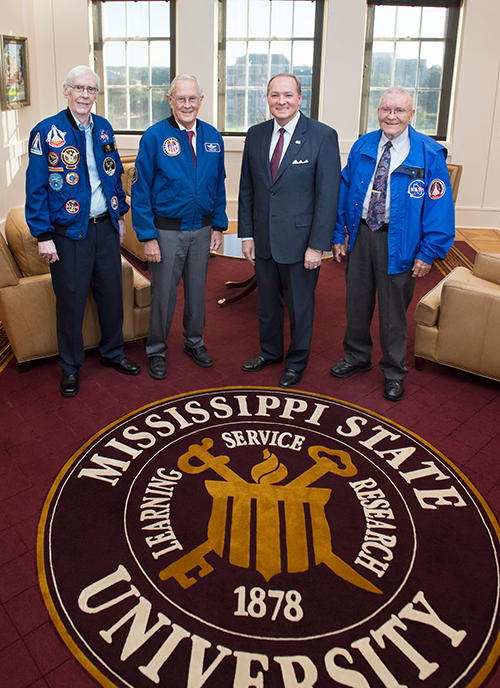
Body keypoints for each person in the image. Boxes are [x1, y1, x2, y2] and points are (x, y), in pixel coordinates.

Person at [331, 86, 455, 401]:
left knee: (393, 312)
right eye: (386, 109)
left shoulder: (429, 154)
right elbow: (344, 189)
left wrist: (428, 252)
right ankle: (357, 357)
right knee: (356, 304)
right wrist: (337, 234)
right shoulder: (363, 145)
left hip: (401, 242)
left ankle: (393, 371)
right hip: (361, 235)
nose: (392, 116)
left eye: (399, 111)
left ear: (412, 114)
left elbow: (440, 209)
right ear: (378, 111)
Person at [25, 65, 141, 398]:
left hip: (104, 227)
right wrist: (43, 234)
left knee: (111, 294)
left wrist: (118, 216)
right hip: (67, 233)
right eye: (79, 88)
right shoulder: (46, 132)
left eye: (92, 90)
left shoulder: (103, 128)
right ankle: (70, 367)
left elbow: (114, 174)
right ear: (66, 91)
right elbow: (36, 189)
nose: (85, 95)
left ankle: (113, 353)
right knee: (71, 302)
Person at [238, 73, 341, 389]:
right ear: (266, 98)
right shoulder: (255, 135)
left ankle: (296, 362)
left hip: (301, 243)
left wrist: (317, 246)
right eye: (274, 95)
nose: (280, 101)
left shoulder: (322, 136)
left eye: (287, 95)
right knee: (267, 303)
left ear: (300, 98)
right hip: (264, 239)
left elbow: (328, 195)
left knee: (300, 307)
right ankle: (269, 351)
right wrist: (247, 235)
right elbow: (248, 189)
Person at [131, 74, 227, 380]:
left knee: (198, 291)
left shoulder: (213, 137)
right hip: (166, 232)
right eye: (180, 99)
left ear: (201, 101)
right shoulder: (154, 136)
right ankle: (156, 350)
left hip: (202, 229)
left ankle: (194, 342)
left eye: (192, 99)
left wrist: (219, 225)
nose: (187, 105)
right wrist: (147, 236)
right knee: (163, 294)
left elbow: (219, 184)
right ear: (170, 100)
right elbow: (140, 189)